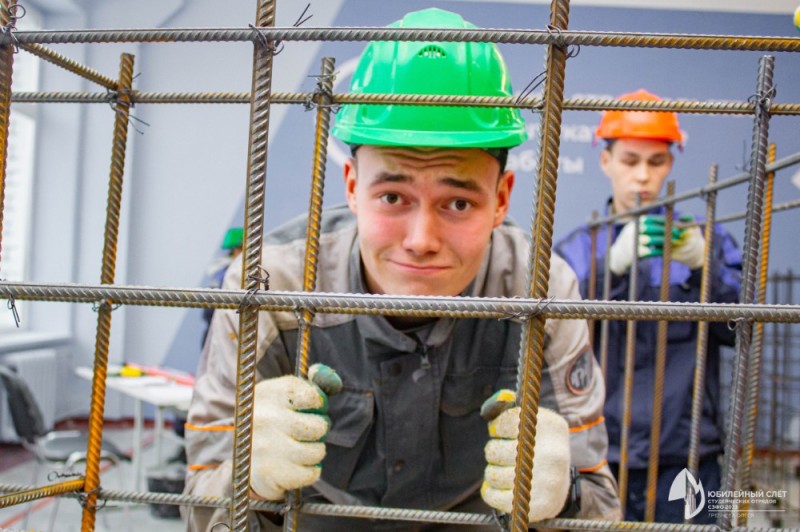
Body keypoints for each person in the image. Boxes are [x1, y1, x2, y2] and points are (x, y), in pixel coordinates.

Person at [184, 8, 620, 531]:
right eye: (393, 196)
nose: (421, 241)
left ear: (501, 199)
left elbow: (601, 505)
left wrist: (566, 493)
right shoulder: (271, 286)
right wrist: (244, 479)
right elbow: (199, 507)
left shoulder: (540, 290)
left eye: (457, 204)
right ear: (350, 186)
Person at [554, 89, 743, 523]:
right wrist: (610, 269)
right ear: (606, 162)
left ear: (671, 164)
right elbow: (556, 334)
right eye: (630, 160)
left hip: (687, 453)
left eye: (655, 163)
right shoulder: (578, 250)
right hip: (599, 450)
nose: (642, 176)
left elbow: (740, 330)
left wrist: (704, 268)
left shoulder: (706, 241)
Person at [201, 227, 244, 346]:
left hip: (218, 329)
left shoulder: (221, 269)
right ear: (236, 250)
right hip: (220, 331)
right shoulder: (230, 271)